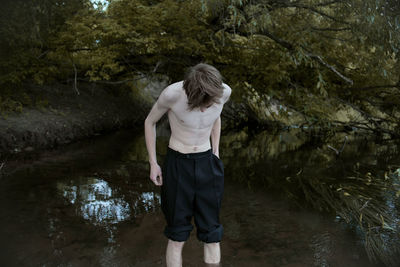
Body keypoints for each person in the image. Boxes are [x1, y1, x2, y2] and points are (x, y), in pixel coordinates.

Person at [144, 62, 232, 266]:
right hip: (178, 165)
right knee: (177, 234)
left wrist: (216, 150)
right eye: (202, 103)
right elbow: (150, 122)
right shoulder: (172, 95)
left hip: (207, 163)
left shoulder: (223, 92)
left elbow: (215, 117)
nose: (204, 109)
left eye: (209, 103)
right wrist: (153, 163)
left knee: (212, 232)